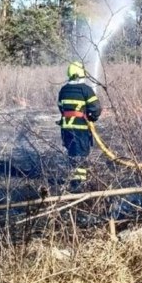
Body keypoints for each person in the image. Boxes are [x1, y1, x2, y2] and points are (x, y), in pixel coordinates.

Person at [57, 61, 102, 190]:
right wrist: (92, 117)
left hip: (66, 129)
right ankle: (79, 184)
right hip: (81, 129)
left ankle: (76, 179)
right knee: (81, 156)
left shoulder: (63, 90)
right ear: (81, 75)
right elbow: (96, 108)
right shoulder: (86, 90)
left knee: (72, 153)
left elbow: (61, 108)